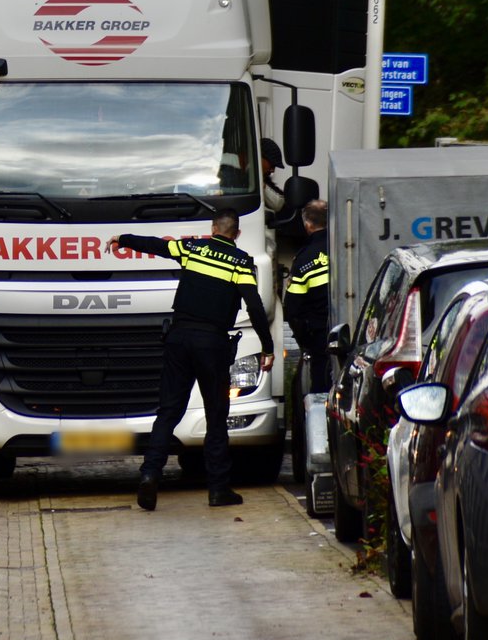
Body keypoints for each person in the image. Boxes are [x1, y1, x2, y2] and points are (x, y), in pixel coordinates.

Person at [109, 209, 273, 511]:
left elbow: (157, 245)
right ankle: (218, 490)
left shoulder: (193, 248)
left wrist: (124, 238)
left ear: (213, 229)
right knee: (216, 416)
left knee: (168, 412)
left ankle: (149, 474)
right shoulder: (240, 263)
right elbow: (255, 306)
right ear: (236, 234)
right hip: (212, 344)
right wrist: (268, 346)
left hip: (179, 339)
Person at [284, 199, 332, 393]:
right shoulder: (347, 246)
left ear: (307, 225)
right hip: (356, 330)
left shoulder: (304, 259)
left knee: (321, 388)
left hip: (320, 336)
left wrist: (305, 341)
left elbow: (292, 309)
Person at [260, 138, 286, 214]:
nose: (272, 170)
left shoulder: (263, 180)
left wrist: (261, 184)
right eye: (272, 165)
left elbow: (278, 204)